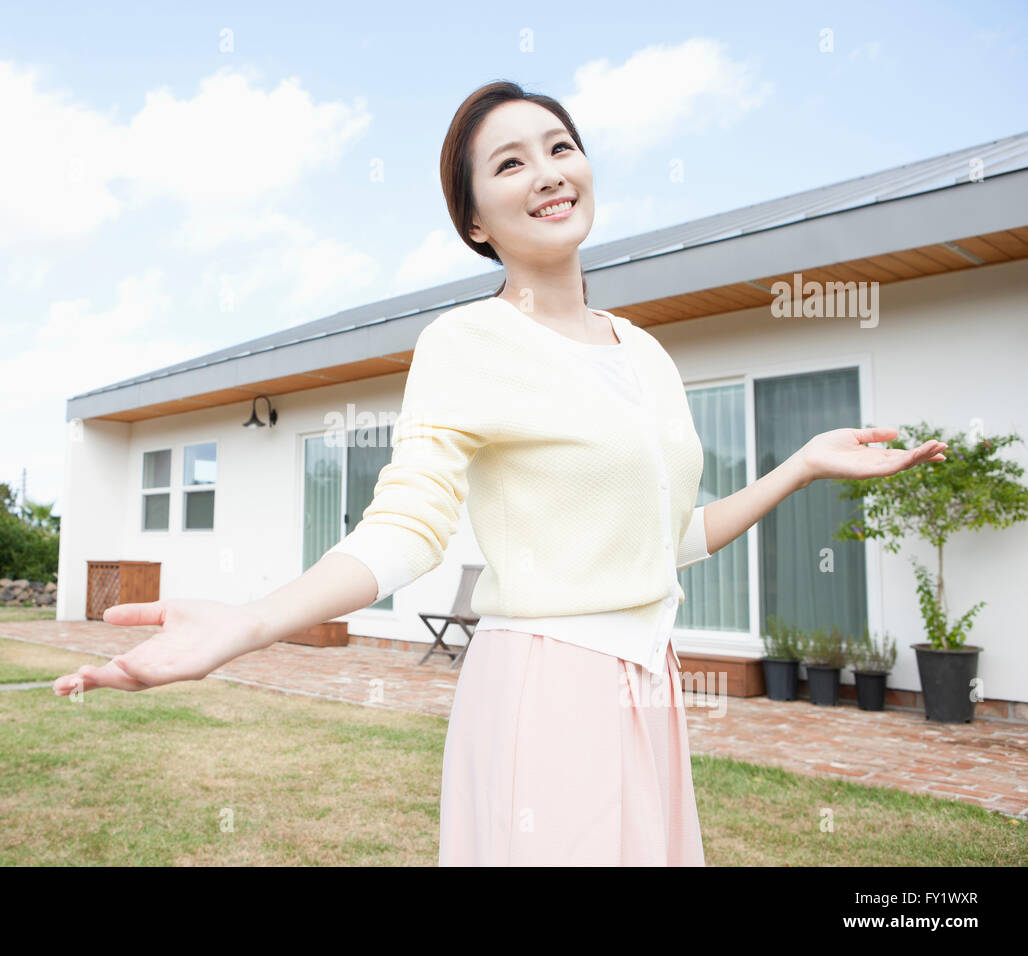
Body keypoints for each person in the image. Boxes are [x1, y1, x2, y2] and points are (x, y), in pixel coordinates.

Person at [52, 81, 948, 866]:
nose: (550, 172)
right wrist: (250, 623)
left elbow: (665, 540)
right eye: (512, 163)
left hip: (653, 684)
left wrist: (797, 466)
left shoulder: (646, 354)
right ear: (476, 220)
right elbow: (408, 525)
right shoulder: (467, 343)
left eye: (561, 148)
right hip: (548, 689)